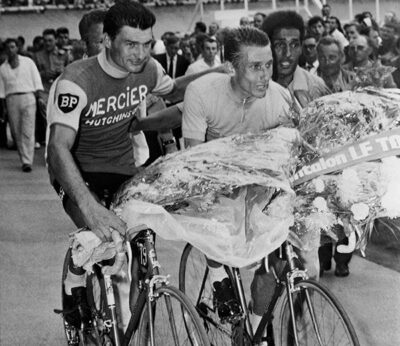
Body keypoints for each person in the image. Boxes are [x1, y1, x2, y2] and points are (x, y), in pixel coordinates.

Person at [47, 0, 226, 330]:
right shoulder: (75, 81)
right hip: (76, 170)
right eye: (131, 44)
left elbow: (172, 91)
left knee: (146, 243)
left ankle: (132, 330)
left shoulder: (148, 69)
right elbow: (58, 148)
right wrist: (89, 207)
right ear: (107, 41)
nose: (141, 54)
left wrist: (218, 71)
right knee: (99, 234)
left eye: (147, 44)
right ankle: (75, 277)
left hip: (121, 168)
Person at [182, 26, 292, 328]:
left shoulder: (280, 98)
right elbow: (194, 163)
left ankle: (256, 327)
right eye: (255, 66)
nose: (265, 75)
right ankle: (217, 276)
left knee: (279, 255)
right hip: (212, 169)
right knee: (207, 203)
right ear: (231, 66)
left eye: (268, 64)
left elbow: (291, 158)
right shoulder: (202, 91)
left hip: (257, 176)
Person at [262, 11, 329, 107]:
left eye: (294, 45)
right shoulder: (254, 86)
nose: (288, 53)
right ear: (268, 47)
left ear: (301, 48)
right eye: (280, 45)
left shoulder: (316, 86)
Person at [0, 38, 43, 172]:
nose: (11, 50)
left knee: (28, 129)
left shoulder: (28, 62)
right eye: (8, 48)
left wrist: (39, 96)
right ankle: (23, 158)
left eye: (13, 47)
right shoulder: (2, 68)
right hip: (11, 99)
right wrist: (3, 109)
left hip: (28, 97)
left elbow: (36, 79)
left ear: (17, 48)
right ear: (5, 50)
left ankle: (27, 161)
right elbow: (1, 91)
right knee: (16, 131)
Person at [34, 28, 70, 145]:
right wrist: (43, 74)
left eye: (50, 40)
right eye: (45, 41)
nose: (47, 43)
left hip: (59, 91)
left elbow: (71, 71)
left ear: (55, 40)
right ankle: (51, 143)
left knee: (60, 118)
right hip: (44, 92)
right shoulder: (37, 56)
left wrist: (62, 72)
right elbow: (33, 75)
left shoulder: (64, 55)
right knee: (48, 119)